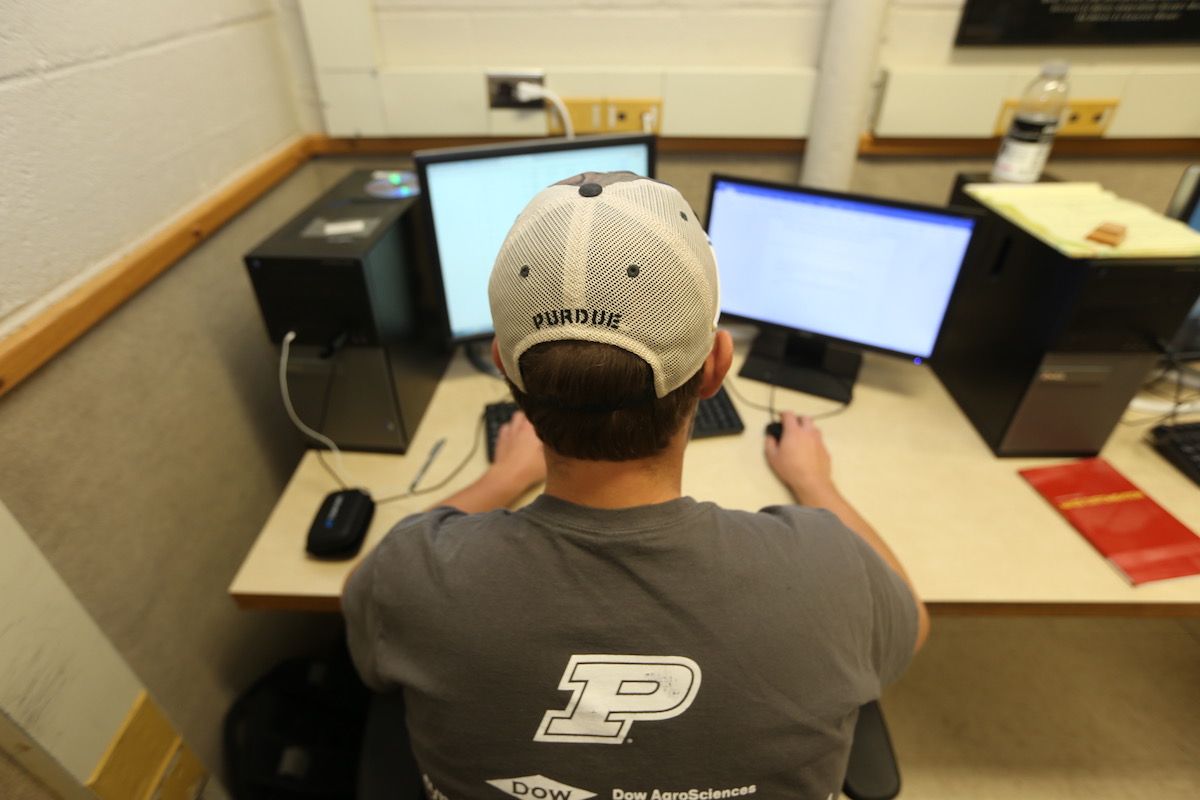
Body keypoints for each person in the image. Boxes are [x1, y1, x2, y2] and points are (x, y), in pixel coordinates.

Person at [343, 171, 929, 799]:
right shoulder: (829, 567)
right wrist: (818, 485)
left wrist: (502, 476)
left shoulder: (411, 573)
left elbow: (359, 602)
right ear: (715, 368)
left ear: (505, 372)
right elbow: (911, 625)